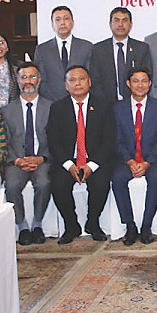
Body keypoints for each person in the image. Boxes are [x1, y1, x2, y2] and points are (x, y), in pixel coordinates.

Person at [47, 66, 116, 244]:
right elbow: (53, 141)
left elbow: (109, 139)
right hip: (68, 161)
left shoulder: (103, 105)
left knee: (101, 184)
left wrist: (91, 165)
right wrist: (69, 165)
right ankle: (71, 226)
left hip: (95, 160)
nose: (77, 83)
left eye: (82, 79)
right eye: (72, 80)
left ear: (89, 82)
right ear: (66, 85)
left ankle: (93, 222)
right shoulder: (57, 108)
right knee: (58, 185)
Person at [111, 67, 157, 245]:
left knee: (155, 177)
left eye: (144, 81)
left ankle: (146, 225)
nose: (140, 85)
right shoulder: (118, 108)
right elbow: (116, 139)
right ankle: (129, 225)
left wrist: (147, 163)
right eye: (135, 81)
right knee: (117, 178)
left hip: (153, 159)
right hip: (127, 159)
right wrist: (130, 161)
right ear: (128, 84)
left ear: (150, 83)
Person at [2, 63, 52, 245]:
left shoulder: (51, 107)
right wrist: (16, 160)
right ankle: (22, 226)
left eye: (32, 77)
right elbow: (3, 141)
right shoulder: (7, 110)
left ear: (39, 79)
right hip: (17, 161)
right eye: (24, 77)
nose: (28, 81)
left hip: (42, 159)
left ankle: (37, 225)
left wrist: (41, 158)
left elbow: (56, 139)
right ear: (17, 80)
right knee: (12, 185)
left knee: (44, 183)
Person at [88, 7, 153, 103]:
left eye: (125, 20)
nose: (120, 24)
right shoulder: (98, 49)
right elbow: (94, 80)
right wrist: (103, 102)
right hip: (105, 104)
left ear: (130, 24)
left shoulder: (141, 48)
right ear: (110, 24)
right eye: (116, 20)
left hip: (134, 103)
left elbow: (147, 77)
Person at [34, 5, 93, 102]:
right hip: (52, 103)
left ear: (72, 22)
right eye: (58, 19)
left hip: (81, 101)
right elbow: (41, 80)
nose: (62, 23)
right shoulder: (42, 50)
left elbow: (90, 78)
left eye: (66, 19)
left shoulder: (86, 47)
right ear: (52, 25)